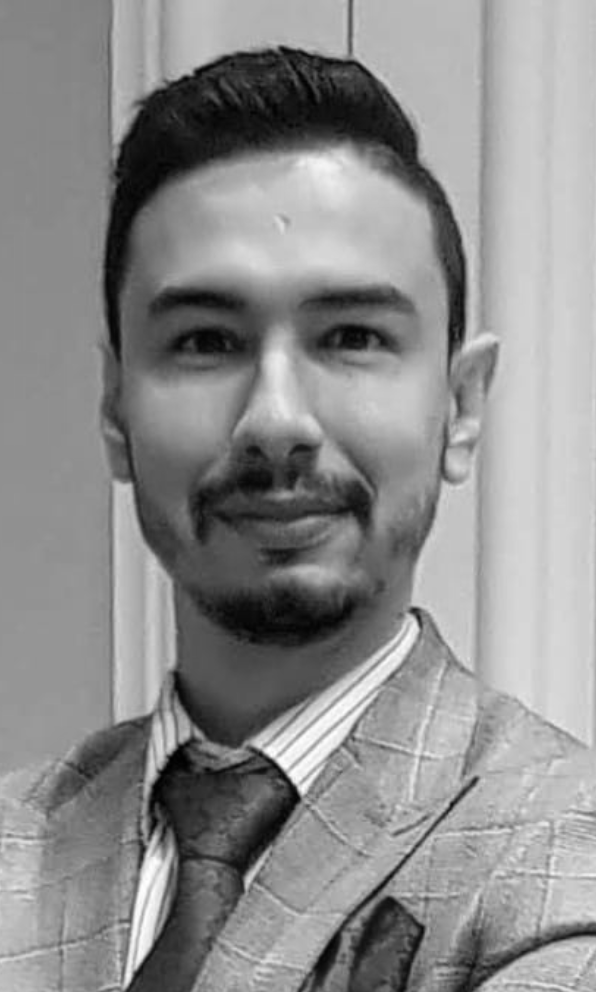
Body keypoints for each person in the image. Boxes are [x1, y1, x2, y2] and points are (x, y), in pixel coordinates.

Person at [2, 45, 596, 992]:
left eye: (352, 337)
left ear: (461, 406)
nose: (276, 421)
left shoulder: (561, 858)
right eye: (206, 342)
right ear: (116, 409)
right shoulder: (16, 849)